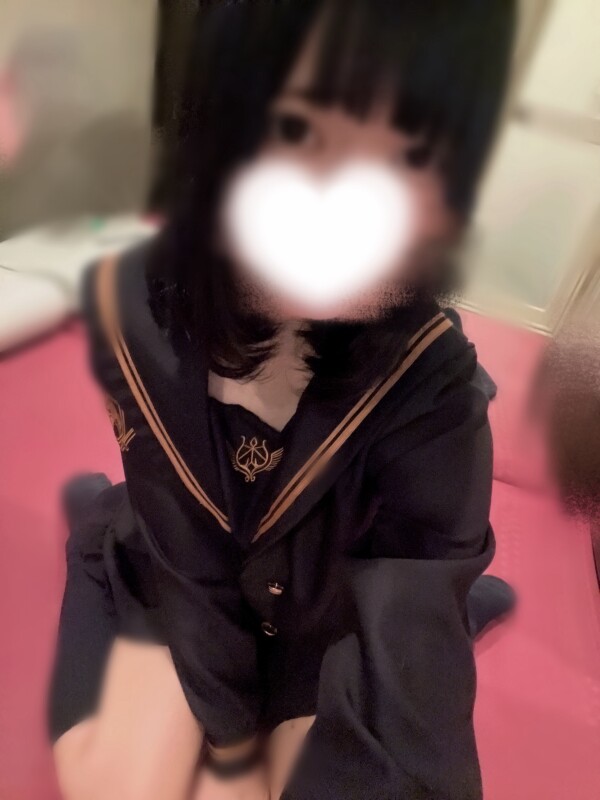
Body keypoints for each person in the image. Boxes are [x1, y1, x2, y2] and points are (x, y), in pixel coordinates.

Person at [47, 2, 517, 799]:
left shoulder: (434, 387)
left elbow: (412, 668)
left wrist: (426, 625)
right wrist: (232, 748)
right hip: (182, 573)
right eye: (299, 131)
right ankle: (98, 521)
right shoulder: (137, 310)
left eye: (411, 151)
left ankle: (469, 605)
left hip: (326, 602)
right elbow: (185, 558)